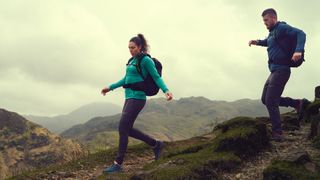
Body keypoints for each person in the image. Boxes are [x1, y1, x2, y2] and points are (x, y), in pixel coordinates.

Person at [101, 34, 173, 173]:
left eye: (133, 47)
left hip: (138, 98)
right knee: (126, 129)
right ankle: (156, 144)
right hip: (129, 97)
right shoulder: (131, 61)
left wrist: (166, 90)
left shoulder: (146, 60)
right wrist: (110, 87)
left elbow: (156, 77)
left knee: (123, 127)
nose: (130, 50)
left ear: (140, 47)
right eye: (129, 48)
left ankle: (118, 163)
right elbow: (125, 79)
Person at [249, 8, 310, 141]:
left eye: (266, 20)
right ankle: (297, 103)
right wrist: (257, 42)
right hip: (274, 70)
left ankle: (278, 133)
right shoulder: (272, 33)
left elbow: (301, 33)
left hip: (282, 70)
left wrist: (298, 51)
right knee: (265, 99)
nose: (264, 23)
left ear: (273, 18)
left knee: (271, 100)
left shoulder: (282, 27)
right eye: (263, 21)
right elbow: (268, 41)